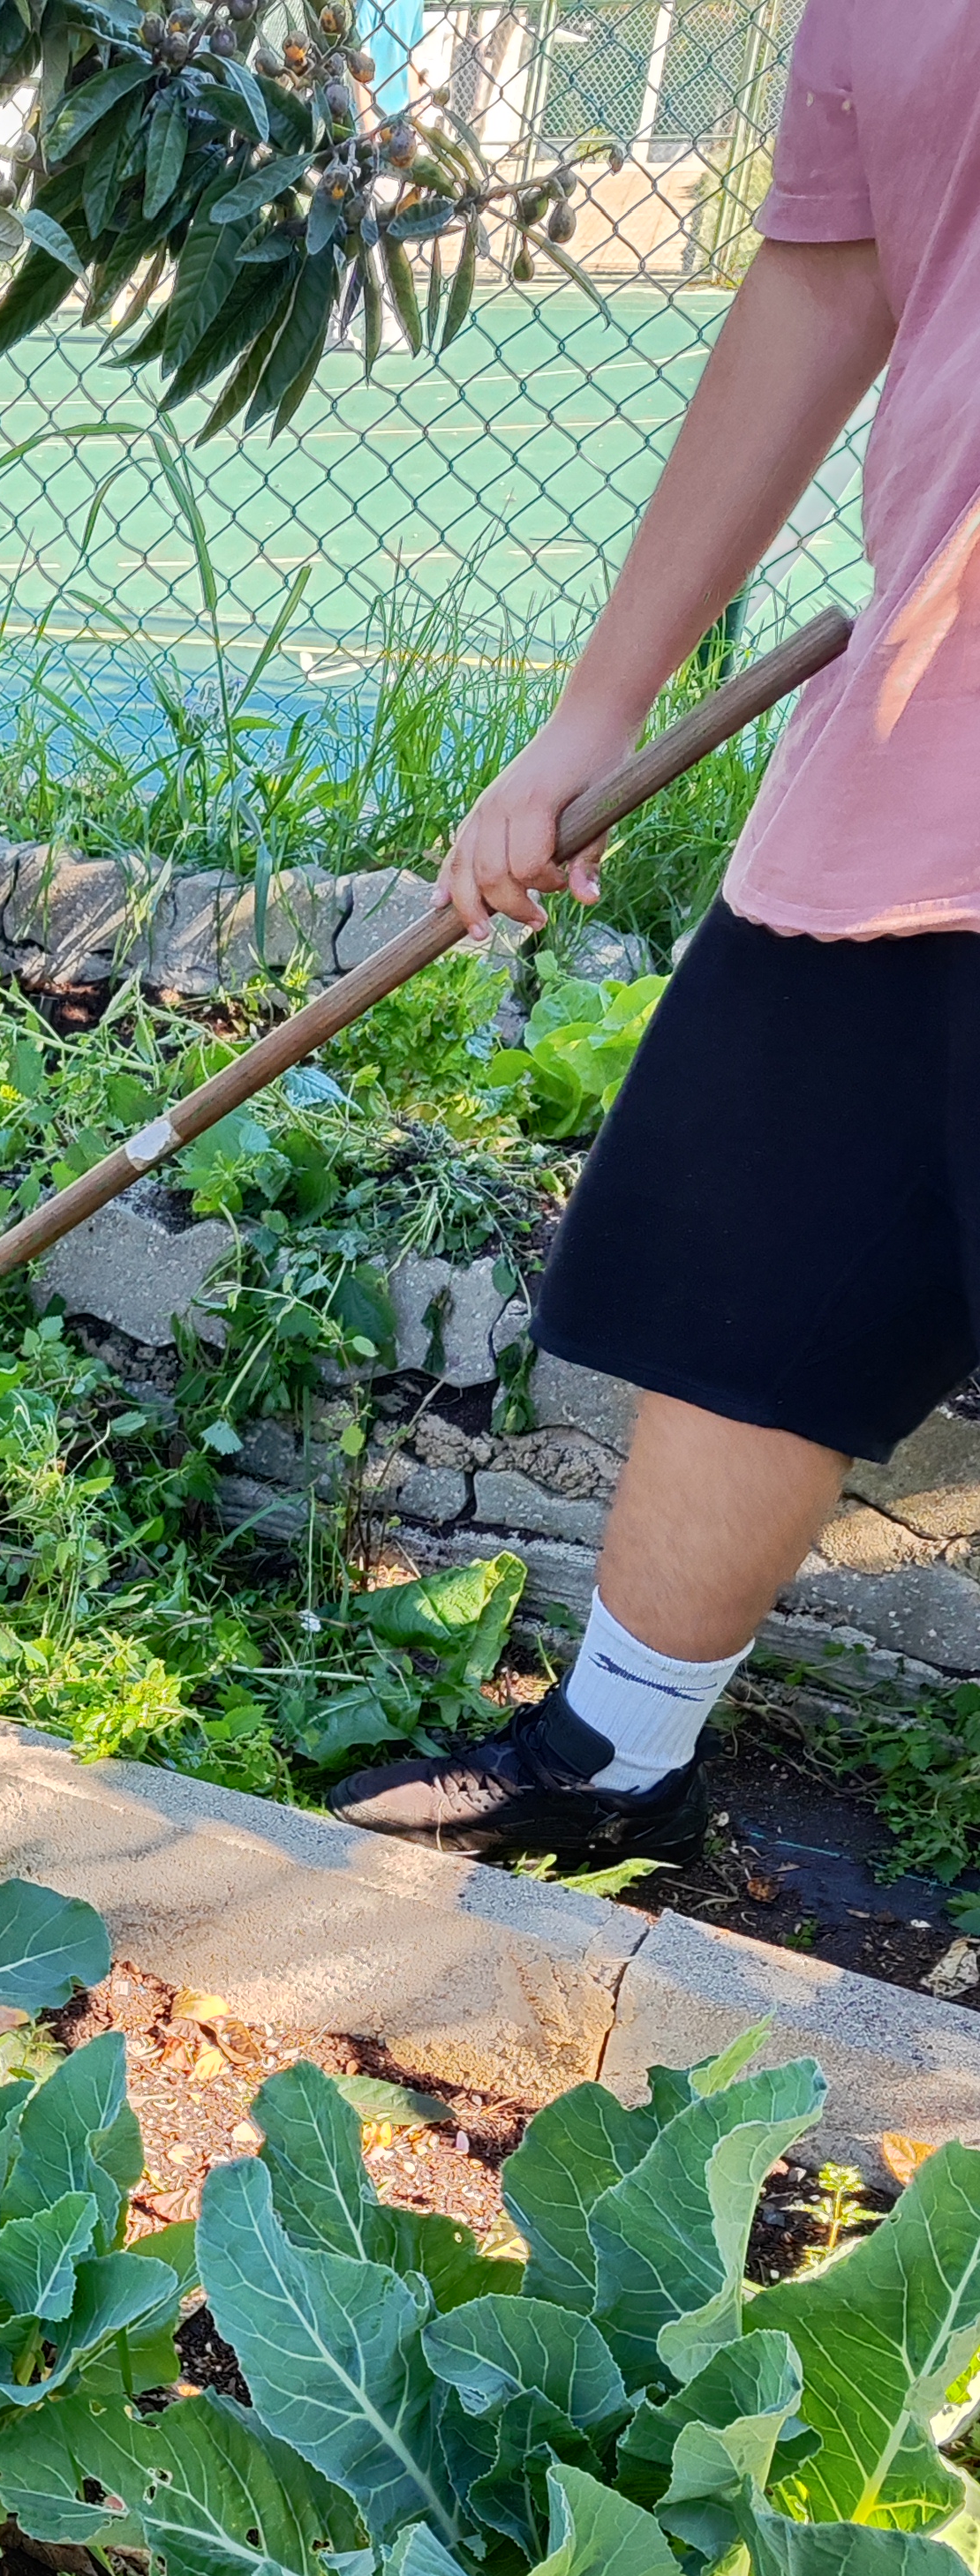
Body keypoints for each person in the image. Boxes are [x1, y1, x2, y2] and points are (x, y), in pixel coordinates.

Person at [330, 1, 980, 1866]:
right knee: (755, 1252)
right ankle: (621, 1751)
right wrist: (593, 711)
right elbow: (825, 285)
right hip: (927, 729)